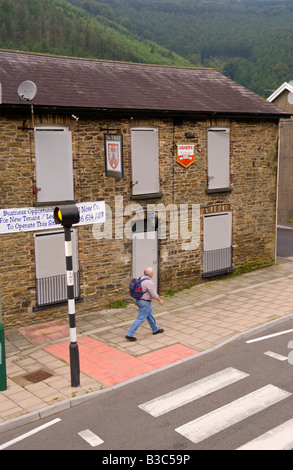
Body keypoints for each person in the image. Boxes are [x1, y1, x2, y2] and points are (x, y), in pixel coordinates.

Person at [125, 267, 164, 342]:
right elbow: (154, 295)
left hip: (141, 301)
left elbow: (139, 291)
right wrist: (160, 301)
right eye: (152, 272)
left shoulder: (140, 278)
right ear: (150, 274)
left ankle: (155, 329)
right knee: (140, 319)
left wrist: (136, 300)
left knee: (150, 315)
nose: (153, 273)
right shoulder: (149, 282)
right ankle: (129, 334)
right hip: (145, 302)